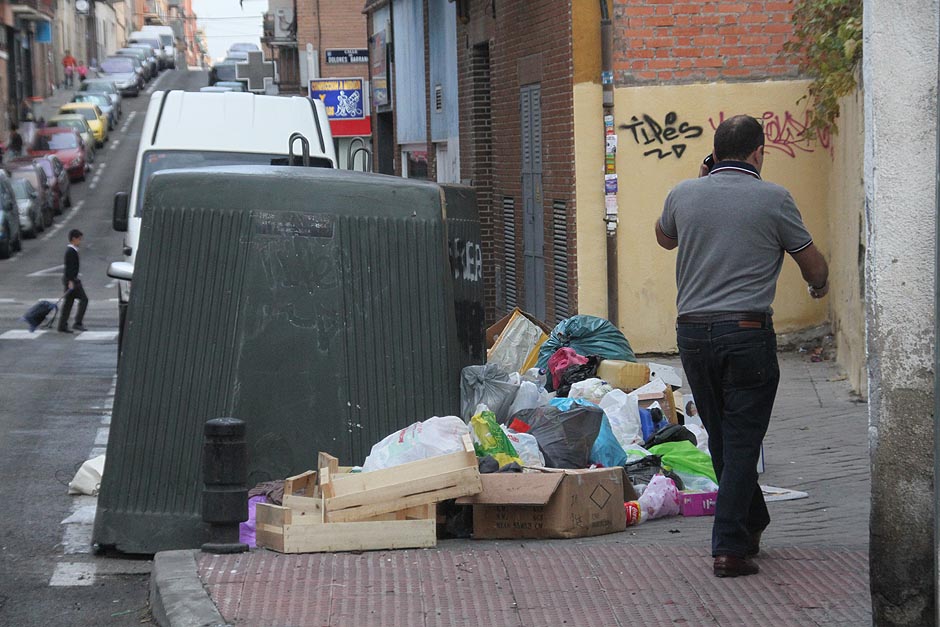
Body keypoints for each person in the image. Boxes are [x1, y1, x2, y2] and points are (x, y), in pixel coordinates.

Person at [655, 114, 829, 578]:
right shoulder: (774, 199)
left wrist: (700, 180)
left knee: (725, 439)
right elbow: (811, 263)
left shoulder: (683, 193)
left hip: (692, 334)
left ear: (715, 152)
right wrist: (818, 287)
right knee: (743, 440)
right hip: (748, 333)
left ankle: (752, 522)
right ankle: (729, 548)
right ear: (758, 153)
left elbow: (665, 237)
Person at [59, 229, 89, 333]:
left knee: (68, 303)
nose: (80, 242)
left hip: (71, 280)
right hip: (72, 281)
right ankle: (77, 322)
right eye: (79, 239)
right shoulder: (71, 252)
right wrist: (71, 281)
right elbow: (70, 268)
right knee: (84, 300)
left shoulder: (71, 251)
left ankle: (62, 325)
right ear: (74, 239)